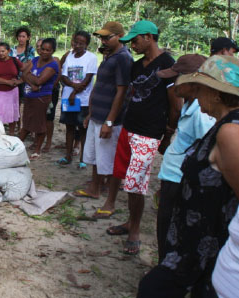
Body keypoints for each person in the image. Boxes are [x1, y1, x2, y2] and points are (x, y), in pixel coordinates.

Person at [138, 55, 239, 298]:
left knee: (154, 289)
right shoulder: (222, 124)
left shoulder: (230, 132)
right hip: (194, 239)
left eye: (200, 89)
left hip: (206, 242)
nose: (194, 95)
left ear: (216, 93)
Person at [105, 20, 180, 255]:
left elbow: (175, 106)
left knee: (137, 183)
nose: (133, 45)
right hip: (129, 128)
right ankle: (130, 221)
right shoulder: (137, 66)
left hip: (149, 133)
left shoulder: (168, 65)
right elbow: (130, 96)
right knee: (126, 178)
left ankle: (135, 229)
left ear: (149, 37)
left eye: (135, 40)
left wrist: (167, 134)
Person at [154, 54, 214, 263]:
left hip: (181, 180)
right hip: (173, 176)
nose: (173, 84)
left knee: (171, 227)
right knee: (165, 225)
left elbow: (206, 155)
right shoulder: (190, 106)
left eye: (177, 78)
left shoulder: (201, 115)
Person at [72, 22, 133, 208]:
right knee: (95, 156)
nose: (104, 41)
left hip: (109, 119)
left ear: (119, 37)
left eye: (108, 37)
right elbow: (101, 86)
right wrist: (91, 113)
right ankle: (95, 187)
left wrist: (109, 120)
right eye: (102, 38)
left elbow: (121, 92)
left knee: (108, 158)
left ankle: (108, 197)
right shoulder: (109, 56)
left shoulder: (123, 58)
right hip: (97, 115)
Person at [57, 31, 98, 166]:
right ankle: (68, 156)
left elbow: (87, 79)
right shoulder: (69, 56)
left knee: (83, 128)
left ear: (86, 44)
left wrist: (74, 93)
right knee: (69, 127)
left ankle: (83, 159)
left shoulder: (91, 58)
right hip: (68, 99)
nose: (78, 45)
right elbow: (63, 76)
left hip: (84, 100)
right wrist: (73, 89)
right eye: (76, 42)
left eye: (82, 43)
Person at [19, 38, 59, 159]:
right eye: (43, 49)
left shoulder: (53, 65)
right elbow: (24, 75)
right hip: (30, 95)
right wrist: (32, 83)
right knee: (26, 121)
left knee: (40, 123)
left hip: (41, 98)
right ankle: (18, 146)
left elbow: (40, 80)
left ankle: (37, 150)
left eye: (48, 50)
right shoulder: (36, 59)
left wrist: (29, 75)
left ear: (53, 51)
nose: (45, 52)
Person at [0, 42, 24, 135]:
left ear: (8, 51)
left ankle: (11, 134)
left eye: (3, 51)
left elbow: (26, 70)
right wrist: (7, 82)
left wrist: (20, 80)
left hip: (12, 92)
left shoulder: (14, 60)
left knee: (12, 113)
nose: (0, 53)